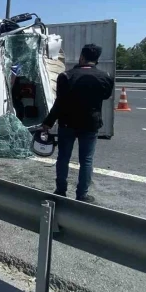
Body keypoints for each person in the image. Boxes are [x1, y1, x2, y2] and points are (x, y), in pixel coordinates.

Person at [42, 44, 114, 203]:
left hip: (67, 123)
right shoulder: (105, 77)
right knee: (86, 160)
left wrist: (48, 123)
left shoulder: (66, 76)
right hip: (90, 124)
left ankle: (60, 191)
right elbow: (105, 96)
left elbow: (59, 103)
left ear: (82, 57)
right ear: (97, 59)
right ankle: (82, 195)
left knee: (63, 158)